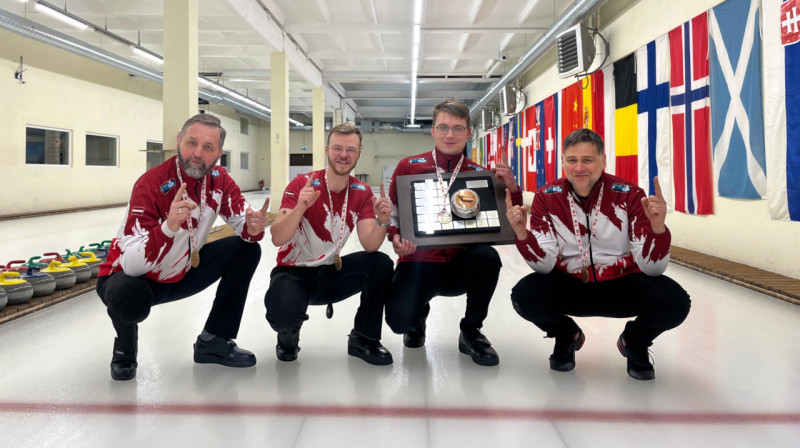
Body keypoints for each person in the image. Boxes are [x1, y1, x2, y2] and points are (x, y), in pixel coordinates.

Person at [505, 128, 691, 380]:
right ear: (563, 162)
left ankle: (634, 341)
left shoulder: (629, 194)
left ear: (603, 161)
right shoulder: (547, 198)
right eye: (572, 160)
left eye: (587, 160)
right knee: (523, 296)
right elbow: (545, 265)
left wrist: (658, 229)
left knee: (676, 302)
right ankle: (566, 335)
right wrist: (522, 235)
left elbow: (653, 269)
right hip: (570, 284)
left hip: (622, 285)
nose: (579, 167)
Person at [97, 113, 268, 381]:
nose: (197, 153)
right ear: (179, 141)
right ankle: (125, 346)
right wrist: (168, 228)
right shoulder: (151, 184)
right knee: (128, 298)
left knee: (246, 250)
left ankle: (214, 340)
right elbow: (131, 264)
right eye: (191, 143)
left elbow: (242, 221)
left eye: (208, 147)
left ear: (218, 153)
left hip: (181, 271)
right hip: (134, 277)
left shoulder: (220, 180)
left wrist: (253, 227)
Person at [384, 98, 523, 366]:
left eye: (458, 128)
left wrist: (512, 189)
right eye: (443, 127)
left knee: (487, 256)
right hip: (418, 264)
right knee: (399, 322)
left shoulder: (480, 174)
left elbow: (510, 221)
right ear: (433, 130)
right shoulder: (408, 167)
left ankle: (471, 330)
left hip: (461, 265)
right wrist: (395, 237)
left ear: (468, 133)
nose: (450, 135)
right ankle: (417, 317)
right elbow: (394, 213)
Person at [265, 123, 394, 366]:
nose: (343, 155)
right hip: (294, 274)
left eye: (350, 150)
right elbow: (277, 237)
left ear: (359, 153)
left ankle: (364, 338)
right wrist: (301, 208)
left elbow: (370, 245)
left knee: (381, 264)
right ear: (327, 150)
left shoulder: (362, 192)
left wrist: (382, 221)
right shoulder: (302, 184)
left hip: (331, 272)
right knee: (282, 313)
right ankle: (288, 335)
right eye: (337, 148)